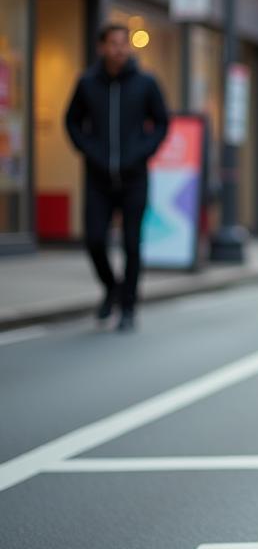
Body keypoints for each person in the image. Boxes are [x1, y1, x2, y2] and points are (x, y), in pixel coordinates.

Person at [65, 22, 169, 331]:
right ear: (102, 47)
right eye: (112, 44)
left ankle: (128, 308)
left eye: (123, 44)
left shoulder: (146, 82)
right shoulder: (87, 83)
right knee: (95, 239)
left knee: (132, 244)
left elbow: (162, 123)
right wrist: (89, 150)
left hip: (134, 176)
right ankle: (112, 287)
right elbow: (71, 122)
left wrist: (141, 152)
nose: (118, 49)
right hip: (98, 177)